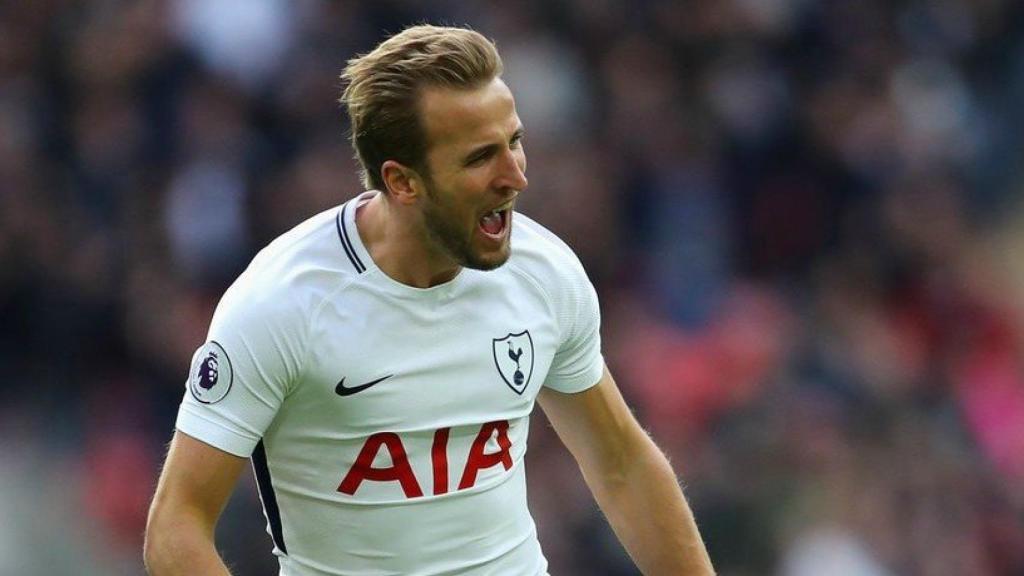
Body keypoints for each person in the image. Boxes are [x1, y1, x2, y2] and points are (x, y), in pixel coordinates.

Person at [143, 24, 715, 576]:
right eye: (480, 157)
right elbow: (176, 528)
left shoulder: (543, 272)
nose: (515, 177)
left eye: (514, 142)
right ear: (402, 182)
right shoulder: (284, 305)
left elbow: (621, 464)